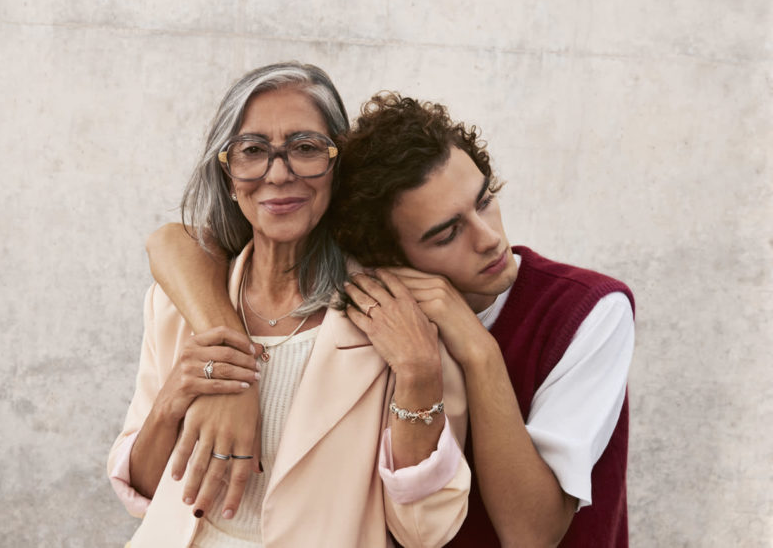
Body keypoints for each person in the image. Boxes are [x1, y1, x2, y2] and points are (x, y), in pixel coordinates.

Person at [147, 92, 635, 547]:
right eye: (447, 233)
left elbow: (531, 535)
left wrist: (479, 351)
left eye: (484, 200)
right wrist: (232, 365)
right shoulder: (373, 311)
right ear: (385, 258)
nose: (489, 239)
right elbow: (173, 241)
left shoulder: (591, 310)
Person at [108, 64, 470, 548]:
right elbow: (144, 491)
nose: (278, 174)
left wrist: (421, 375)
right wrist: (177, 396)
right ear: (228, 174)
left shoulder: (399, 319)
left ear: (338, 165)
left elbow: (426, 531)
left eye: (305, 148)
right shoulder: (177, 305)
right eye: (252, 150)